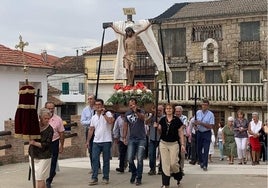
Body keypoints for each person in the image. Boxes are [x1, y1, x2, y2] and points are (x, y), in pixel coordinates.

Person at [154, 103, 185, 188]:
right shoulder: (162, 120)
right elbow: (160, 133)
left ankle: (178, 176)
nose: (168, 110)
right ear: (165, 110)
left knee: (173, 163)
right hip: (163, 143)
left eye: (170, 108)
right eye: (167, 109)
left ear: (173, 110)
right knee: (165, 164)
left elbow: (181, 133)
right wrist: (157, 128)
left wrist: (182, 144)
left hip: (174, 144)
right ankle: (165, 184)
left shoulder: (177, 120)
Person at [86, 99, 115, 185]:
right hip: (96, 141)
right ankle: (94, 178)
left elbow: (110, 121)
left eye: (99, 104)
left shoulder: (108, 113)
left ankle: (105, 177)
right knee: (94, 159)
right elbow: (91, 129)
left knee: (106, 160)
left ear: (102, 106)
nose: (97, 106)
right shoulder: (94, 117)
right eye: (96, 105)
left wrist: (103, 114)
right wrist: (88, 141)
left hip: (106, 140)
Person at [122, 98, 146, 186]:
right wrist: (124, 137)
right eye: (130, 104)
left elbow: (143, 118)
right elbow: (125, 126)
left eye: (133, 104)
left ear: (136, 104)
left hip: (141, 139)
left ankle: (139, 178)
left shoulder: (141, 111)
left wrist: (136, 111)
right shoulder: (127, 114)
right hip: (132, 138)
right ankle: (134, 173)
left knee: (139, 159)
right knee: (130, 159)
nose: (131, 105)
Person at [29, 107, 53, 188]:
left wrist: (34, 143)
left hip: (44, 156)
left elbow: (46, 144)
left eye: (48, 118)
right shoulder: (34, 126)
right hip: (33, 155)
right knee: (38, 178)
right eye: (45, 118)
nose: (47, 120)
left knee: (40, 178)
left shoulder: (50, 130)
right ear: (40, 117)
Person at [45, 102, 65, 188]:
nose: (50, 110)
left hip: (54, 142)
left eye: (52, 108)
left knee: (53, 162)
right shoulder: (40, 119)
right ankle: (42, 178)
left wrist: (61, 145)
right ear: (45, 108)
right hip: (43, 143)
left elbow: (61, 133)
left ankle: (49, 180)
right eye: (48, 108)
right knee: (44, 161)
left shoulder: (58, 119)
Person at [80, 95, 101, 173]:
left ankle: (98, 167)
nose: (89, 100)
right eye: (88, 99)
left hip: (98, 131)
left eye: (91, 99)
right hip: (89, 130)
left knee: (97, 150)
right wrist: (92, 121)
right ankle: (93, 167)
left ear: (94, 100)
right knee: (91, 150)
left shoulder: (98, 109)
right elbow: (82, 121)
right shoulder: (85, 110)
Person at [193, 99, 215, 171]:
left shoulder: (211, 114)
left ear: (208, 106)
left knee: (206, 149)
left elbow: (211, 126)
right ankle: (201, 161)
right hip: (199, 132)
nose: (204, 106)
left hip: (206, 133)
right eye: (203, 105)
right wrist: (195, 125)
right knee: (198, 149)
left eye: (205, 105)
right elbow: (194, 122)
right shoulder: (198, 112)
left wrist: (201, 123)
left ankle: (205, 164)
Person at [147, 104, 164, 175]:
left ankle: (161, 169)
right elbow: (146, 122)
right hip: (153, 138)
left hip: (162, 138)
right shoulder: (152, 117)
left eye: (160, 110)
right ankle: (152, 169)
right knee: (151, 154)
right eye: (158, 110)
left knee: (162, 155)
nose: (159, 112)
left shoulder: (164, 118)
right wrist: (152, 115)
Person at [174, 105, 187, 175]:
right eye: (176, 111)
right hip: (174, 137)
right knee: (174, 155)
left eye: (179, 111)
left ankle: (181, 169)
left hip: (182, 137)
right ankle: (175, 170)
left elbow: (183, 126)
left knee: (182, 155)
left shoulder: (184, 117)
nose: (178, 113)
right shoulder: (172, 117)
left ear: (181, 111)